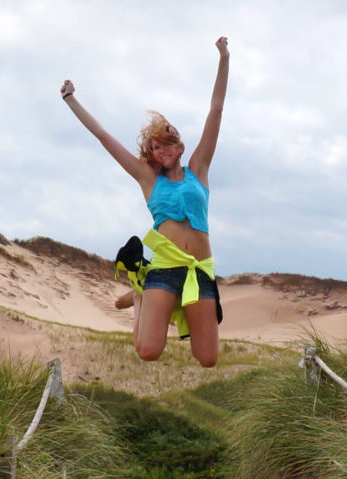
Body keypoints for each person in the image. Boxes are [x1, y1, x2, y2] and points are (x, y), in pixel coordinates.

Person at [60, 36, 229, 367]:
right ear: (149, 155)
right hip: (164, 269)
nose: (160, 150)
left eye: (166, 143)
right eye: (153, 147)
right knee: (148, 351)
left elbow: (216, 110)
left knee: (207, 358)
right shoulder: (149, 180)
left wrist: (224, 57)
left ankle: (147, 295)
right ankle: (142, 294)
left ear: (179, 146)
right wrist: (71, 100)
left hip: (200, 271)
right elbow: (104, 137)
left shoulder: (199, 169)